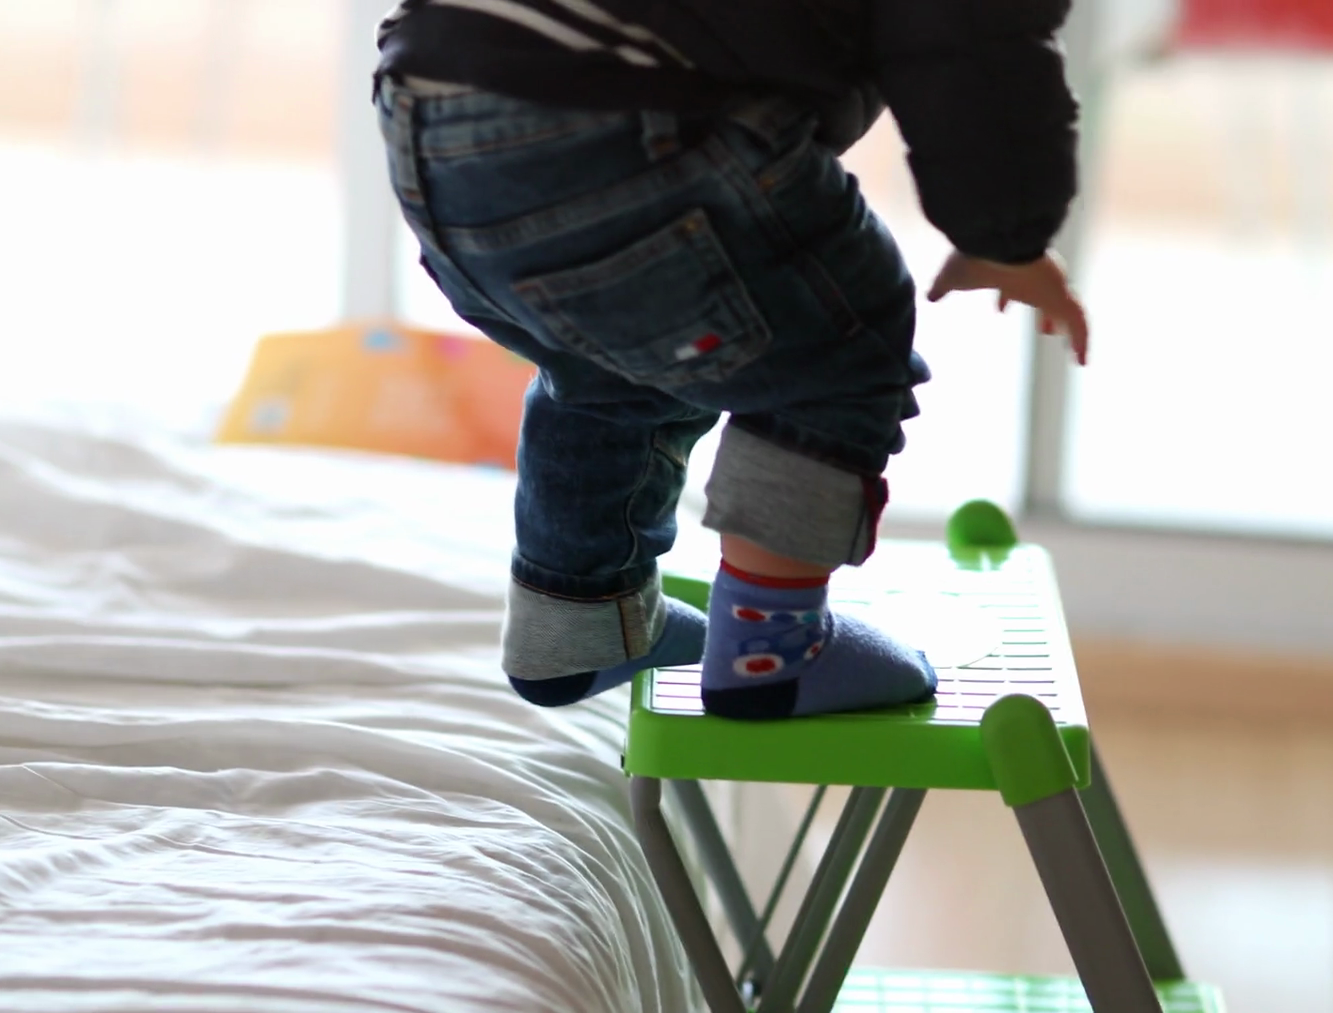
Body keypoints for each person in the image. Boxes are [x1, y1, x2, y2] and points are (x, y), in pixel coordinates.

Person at [373, 0, 1089, 719]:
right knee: (840, 341)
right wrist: (1006, 236)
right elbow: (973, 40)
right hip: (622, 105)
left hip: (427, 110)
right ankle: (773, 655)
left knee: (610, 362)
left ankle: (577, 621)